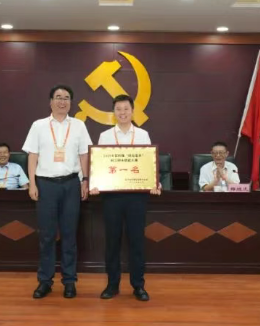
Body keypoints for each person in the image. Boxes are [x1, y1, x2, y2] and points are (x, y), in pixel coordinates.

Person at [22, 84, 92, 299]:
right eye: (58, 97)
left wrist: (85, 180)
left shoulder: (79, 125)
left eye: (66, 98)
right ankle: (45, 281)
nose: (62, 101)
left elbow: (84, 155)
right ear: (50, 101)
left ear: (71, 102)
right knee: (47, 235)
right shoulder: (38, 125)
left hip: (71, 184)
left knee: (70, 235)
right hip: (46, 185)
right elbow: (32, 155)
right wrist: (32, 183)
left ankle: (69, 281)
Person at [91, 94, 160, 302]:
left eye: (126, 109)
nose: (122, 113)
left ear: (132, 111)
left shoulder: (142, 135)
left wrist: (154, 182)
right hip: (111, 197)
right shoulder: (105, 136)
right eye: (118, 109)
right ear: (114, 113)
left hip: (136, 196)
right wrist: (95, 182)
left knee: (136, 241)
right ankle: (112, 285)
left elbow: (148, 163)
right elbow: (99, 164)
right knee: (112, 241)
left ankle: (138, 285)